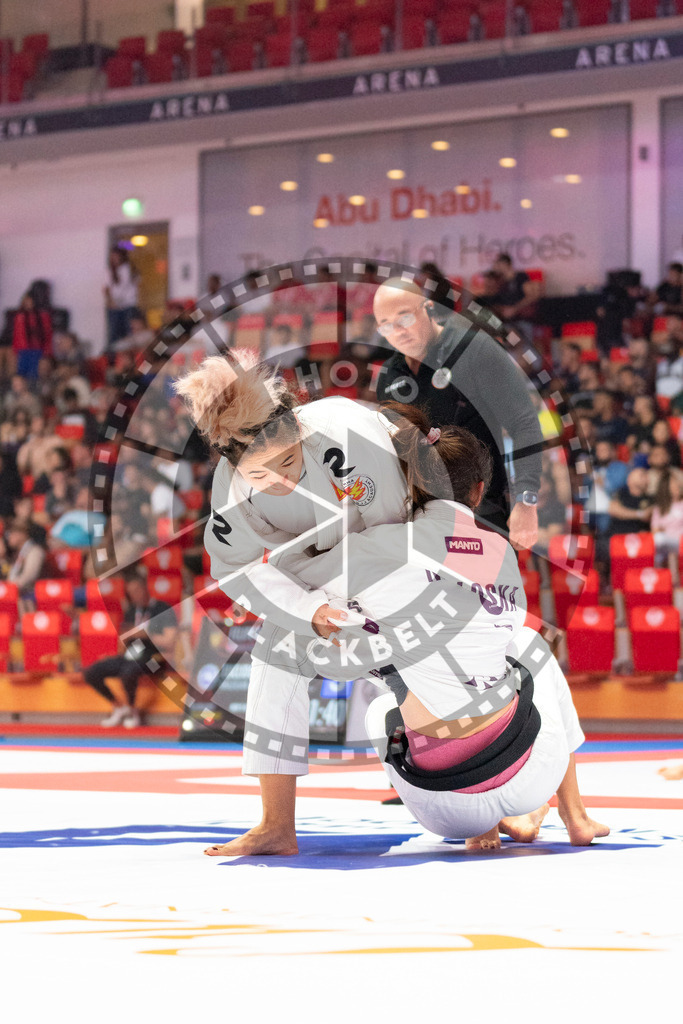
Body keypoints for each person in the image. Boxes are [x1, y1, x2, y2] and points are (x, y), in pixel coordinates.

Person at [201, 405, 607, 855]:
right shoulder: (500, 551)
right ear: (478, 492)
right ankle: (574, 813)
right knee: (525, 644)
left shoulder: (381, 543)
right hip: (533, 776)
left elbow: (292, 577)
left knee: (310, 659)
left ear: (408, 481)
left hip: (442, 807)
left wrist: (303, 597)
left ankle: (277, 823)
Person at [174, 350, 410, 854]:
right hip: (314, 575)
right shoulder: (229, 491)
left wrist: (354, 600)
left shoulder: (347, 433)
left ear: (298, 430)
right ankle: (276, 824)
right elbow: (236, 568)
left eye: (287, 462)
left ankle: (497, 791)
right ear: (234, 466)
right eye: (261, 474)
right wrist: (310, 611)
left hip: (400, 550)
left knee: (438, 666)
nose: (279, 480)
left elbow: (398, 529)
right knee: (274, 654)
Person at [373, 278, 542, 548]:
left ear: (428, 308)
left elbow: (524, 423)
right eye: (387, 325)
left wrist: (526, 500)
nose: (398, 332)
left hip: (482, 513)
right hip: (421, 521)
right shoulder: (389, 376)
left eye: (404, 318)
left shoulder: (473, 349)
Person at [82, 571, 178, 728]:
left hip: (154, 659)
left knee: (128, 671)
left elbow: (169, 642)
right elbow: (124, 638)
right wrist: (121, 645)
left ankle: (132, 711)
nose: (134, 595)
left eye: (137, 591)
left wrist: (144, 634)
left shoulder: (162, 609)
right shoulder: (132, 611)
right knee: (92, 672)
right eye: (131, 593)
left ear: (145, 588)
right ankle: (119, 707)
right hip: (130, 656)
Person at [104, 247, 140, 350]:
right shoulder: (110, 271)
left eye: (116, 256)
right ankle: (113, 354)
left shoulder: (129, 269)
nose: (114, 258)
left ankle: (128, 354)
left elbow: (131, 286)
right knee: (114, 333)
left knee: (128, 332)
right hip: (114, 307)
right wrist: (110, 301)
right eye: (112, 256)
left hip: (128, 305)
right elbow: (106, 288)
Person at [651, 470, 683, 564]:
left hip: (681, 540)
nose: (678, 486)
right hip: (667, 542)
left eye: (678, 483)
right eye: (674, 484)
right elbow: (655, 530)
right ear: (666, 487)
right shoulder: (659, 508)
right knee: (658, 540)